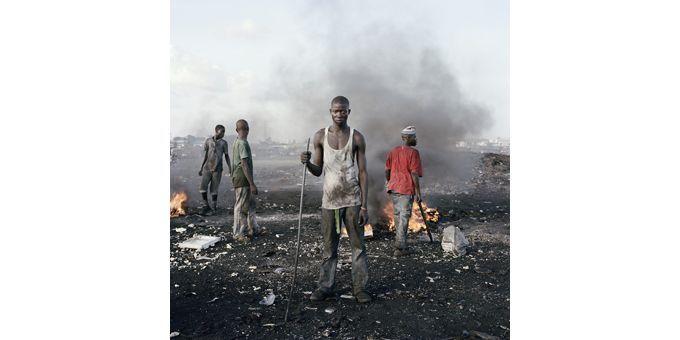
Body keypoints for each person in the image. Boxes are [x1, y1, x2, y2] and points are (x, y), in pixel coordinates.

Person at [300, 96, 372, 304]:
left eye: (343, 111)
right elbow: (317, 170)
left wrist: (364, 206)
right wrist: (306, 163)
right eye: (335, 111)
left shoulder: (357, 138)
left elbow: (363, 173)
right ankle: (325, 286)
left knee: (358, 248)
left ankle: (360, 289)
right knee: (329, 247)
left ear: (349, 112)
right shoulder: (320, 137)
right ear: (330, 112)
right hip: (329, 202)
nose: (339, 114)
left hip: (352, 200)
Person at [385, 126, 423, 256]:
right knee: (404, 216)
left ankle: (399, 242)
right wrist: (418, 192)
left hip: (394, 187)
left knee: (397, 214)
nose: (416, 139)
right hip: (406, 188)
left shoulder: (394, 151)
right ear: (407, 138)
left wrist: (388, 181)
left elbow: (387, 169)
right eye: (414, 137)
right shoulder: (414, 153)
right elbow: (414, 173)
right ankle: (401, 247)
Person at [231, 119, 265, 243]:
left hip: (240, 176)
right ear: (237, 130)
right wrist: (252, 184)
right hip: (242, 178)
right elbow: (244, 164)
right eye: (243, 129)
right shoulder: (242, 144)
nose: (245, 131)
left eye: (246, 129)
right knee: (240, 207)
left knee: (251, 205)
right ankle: (238, 233)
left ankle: (254, 228)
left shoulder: (237, 142)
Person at [198, 124, 231, 215]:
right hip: (207, 168)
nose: (223, 133)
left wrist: (230, 167)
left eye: (224, 131)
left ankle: (214, 208)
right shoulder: (208, 141)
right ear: (216, 131)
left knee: (214, 188)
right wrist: (201, 168)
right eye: (222, 131)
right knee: (203, 187)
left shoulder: (224, 143)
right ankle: (206, 206)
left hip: (218, 169)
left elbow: (226, 155)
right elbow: (206, 155)